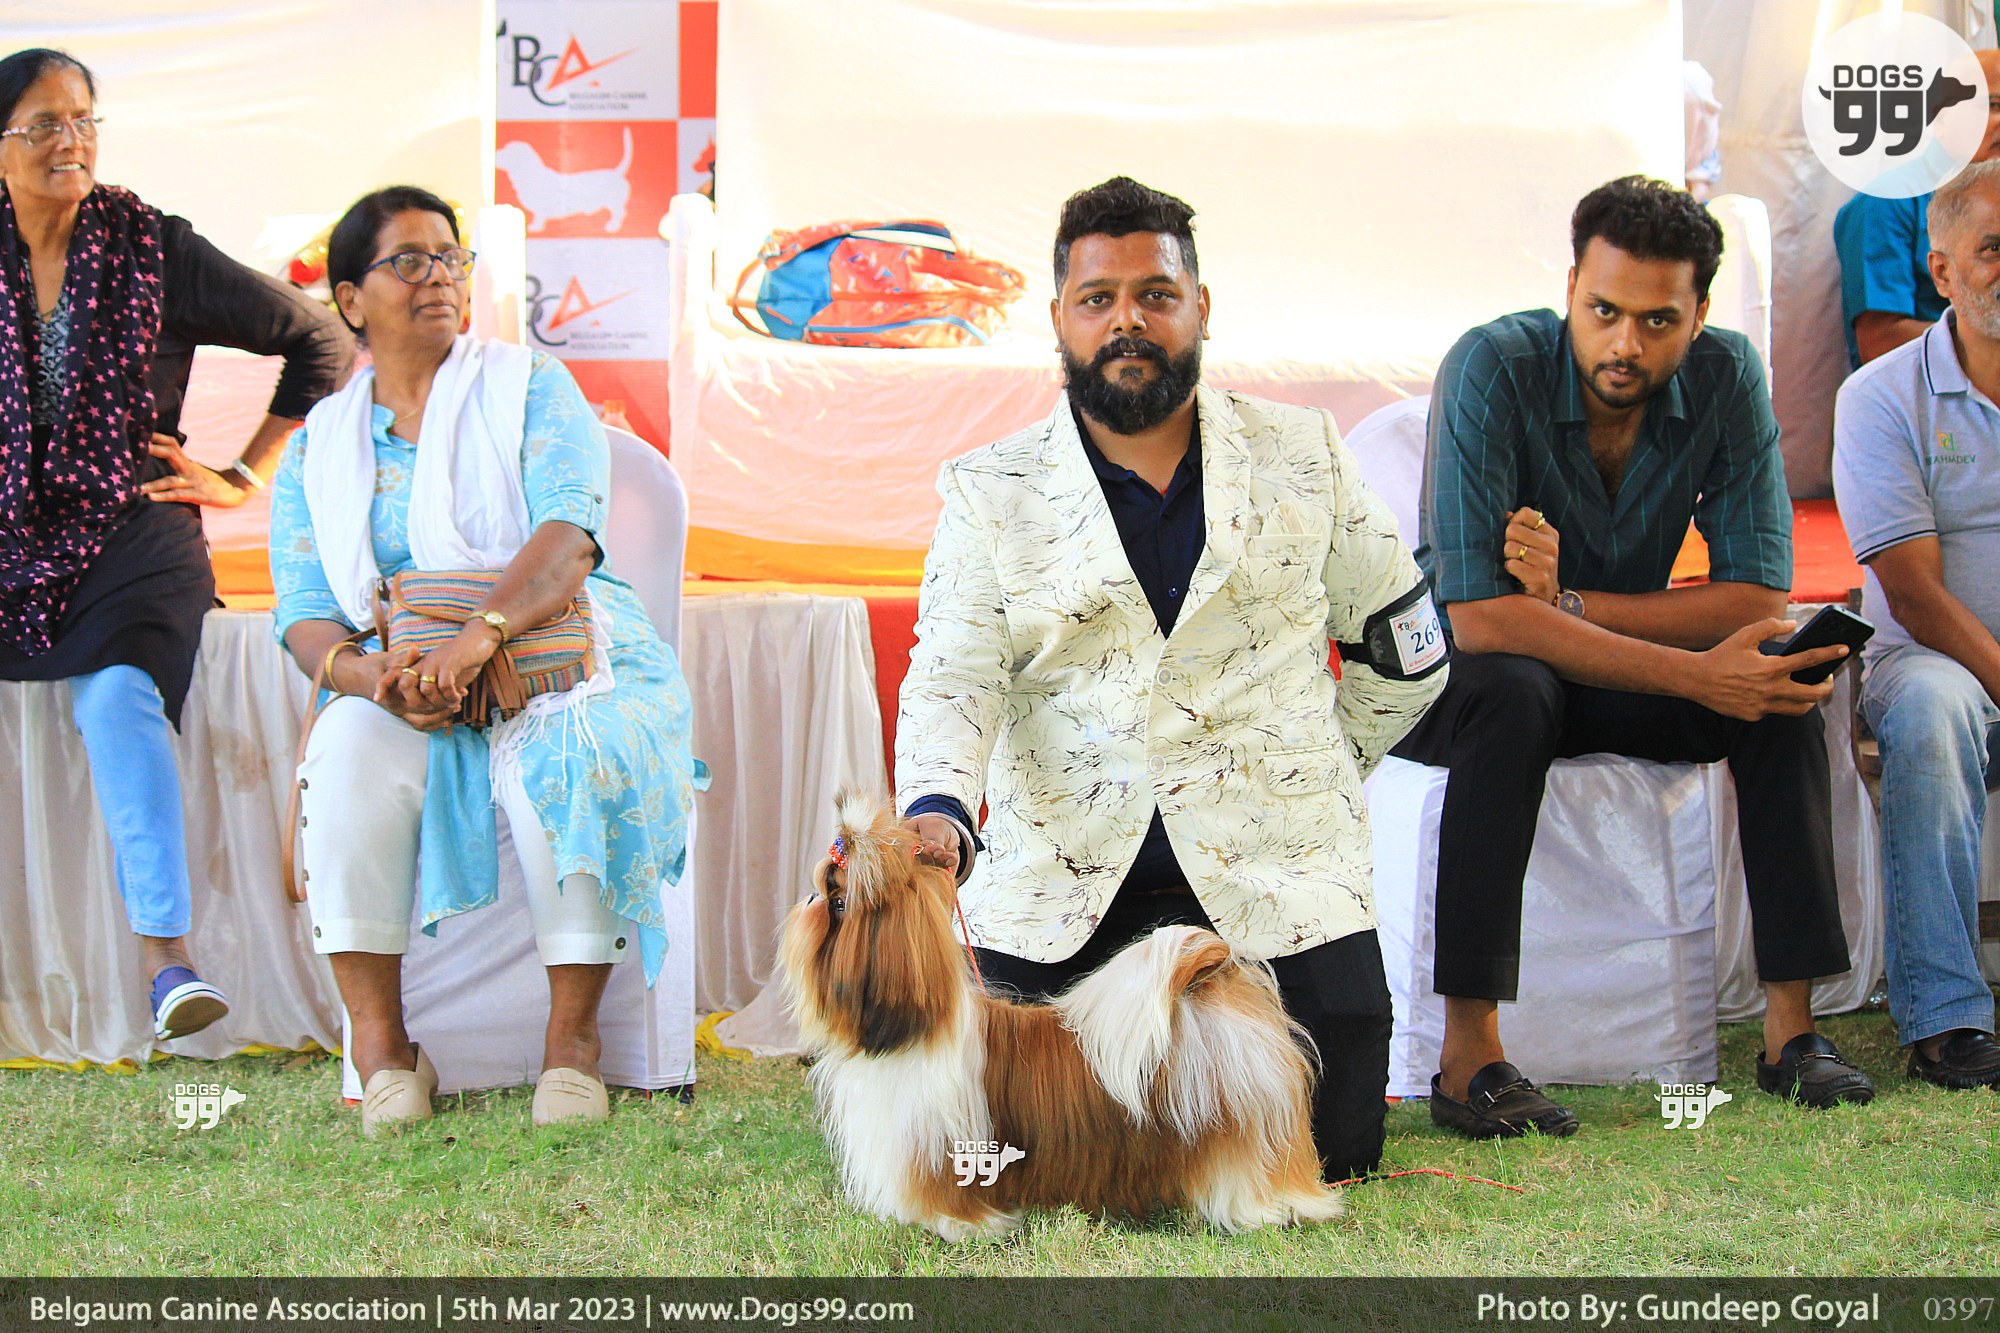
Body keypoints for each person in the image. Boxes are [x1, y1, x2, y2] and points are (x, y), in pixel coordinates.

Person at [895, 177, 1447, 1182]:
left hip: (1275, 879)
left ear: (1200, 308)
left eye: (1155, 294)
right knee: (1007, 1162)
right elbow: (951, 675)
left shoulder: (1303, 453)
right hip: (1064, 889)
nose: (1127, 321)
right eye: (1096, 298)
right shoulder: (988, 489)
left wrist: (1312, 766)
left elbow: (1407, 651)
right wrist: (936, 809)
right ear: (1057, 319)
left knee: (1333, 1156)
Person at [1392, 175, 1870, 1139]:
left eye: (1658, 321)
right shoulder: (1492, 365)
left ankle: (1791, 1034)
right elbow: (1479, 618)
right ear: (1571, 286)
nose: (1626, 344)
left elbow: (1753, 596)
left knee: (1777, 675)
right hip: (1463, 686)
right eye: (1605, 311)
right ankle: (1470, 1059)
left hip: (1601, 664)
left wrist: (1566, 603)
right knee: (1516, 687)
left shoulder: (1728, 376)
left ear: (1699, 313)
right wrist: (1695, 671)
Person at [270, 186, 696, 1135]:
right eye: (408, 261)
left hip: (561, 644)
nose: (439, 278)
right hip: (410, 672)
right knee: (345, 752)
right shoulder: (316, 448)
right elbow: (303, 615)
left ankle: (573, 1045)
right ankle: (385, 1053)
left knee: (580, 745)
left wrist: (479, 637)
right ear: (350, 299)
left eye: (451, 258)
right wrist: (373, 680)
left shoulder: (530, 385)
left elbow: (571, 532)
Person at [0, 48, 352, 1041]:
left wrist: (242, 472)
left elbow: (320, 340)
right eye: (43, 124)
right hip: (11, 525)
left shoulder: (152, 246)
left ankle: (168, 961)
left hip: (133, 527)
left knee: (117, 694)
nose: (70, 142)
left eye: (83, 121)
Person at [1831, 159, 2000, 1091]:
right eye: (1993, 249)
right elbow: (1914, 593)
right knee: (1935, 710)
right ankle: (1948, 1018)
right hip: (1935, 661)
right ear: (1942, 270)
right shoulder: (1881, 395)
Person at [1833, 49, 2000, 367]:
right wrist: (1988, 341)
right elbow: (1880, 341)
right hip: (1926, 392)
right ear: (1941, 116)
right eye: (1993, 105)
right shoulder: (1889, 202)